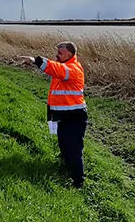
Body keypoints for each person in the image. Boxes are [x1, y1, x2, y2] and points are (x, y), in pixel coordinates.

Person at [20, 42, 88, 188]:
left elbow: (56, 69)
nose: (57, 55)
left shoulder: (72, 68)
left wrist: (36, 60)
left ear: (70, 54)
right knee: (63, 144)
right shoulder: (63, 67)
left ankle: (78, 182)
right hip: (63, 115)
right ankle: (65, 168)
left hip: (75, 116)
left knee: (74, 148)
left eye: (60, 53)